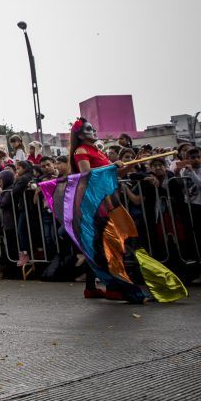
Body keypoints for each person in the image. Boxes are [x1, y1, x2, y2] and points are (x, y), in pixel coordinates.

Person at [70, 117, 135, 301]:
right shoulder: (81, 150)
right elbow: (86, 174)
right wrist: (111, 166)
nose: (94, 131)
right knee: (101, 244)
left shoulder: (96, 150)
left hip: (107, 202)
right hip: (94, 204)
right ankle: (111, 286)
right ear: (81, 134)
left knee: (99, 244)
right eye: (89, 129)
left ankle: (91, 287)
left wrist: (127, 167)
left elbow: (112, 174)